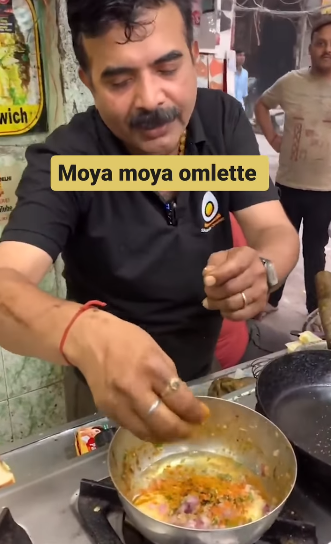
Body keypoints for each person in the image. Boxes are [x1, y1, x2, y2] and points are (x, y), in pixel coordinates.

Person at [0, 0, 299, 443]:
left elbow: (275, 231)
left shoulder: (222, 122)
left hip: (205, 373)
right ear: (88, 83)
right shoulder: (66, 159)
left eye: (167, 68)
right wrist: (83, 334)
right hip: (105, 393)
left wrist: (266, 268)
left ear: (195, 59)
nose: (151, 99)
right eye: (119, 80)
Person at [255, 16, 331, 316]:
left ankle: (315, 313)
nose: (327, 49)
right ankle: (271, 301)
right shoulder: (291, 82)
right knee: (277, 246)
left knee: (315, 253)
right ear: (310, 48)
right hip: (288, 184)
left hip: (325, 189)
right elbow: (261, 104)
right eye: (321, 43)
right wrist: (272, 136)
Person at [214, 214, 293, 369]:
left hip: (229, 336)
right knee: (298, 357)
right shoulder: (221, 218)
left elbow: (279, 234)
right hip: (229, 350)